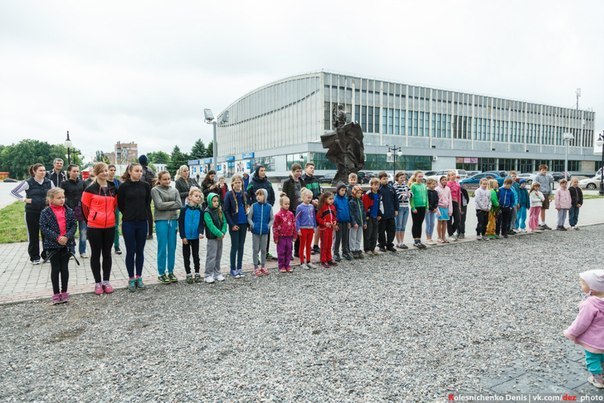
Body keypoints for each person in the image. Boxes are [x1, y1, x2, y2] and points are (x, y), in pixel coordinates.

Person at [564, 270, 604, 390]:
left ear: (593, 288)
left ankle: (598, 380)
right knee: (602, 356)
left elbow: (581, 323)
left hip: (594, 341)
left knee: (592, 358)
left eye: (582, 283)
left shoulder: (590, 305)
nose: (580, 285)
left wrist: (570, 333)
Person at [81, 162, 117, 295]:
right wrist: (93, 220)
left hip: (110, 226)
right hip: (94, 227)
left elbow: (115, 205)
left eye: (106, 170)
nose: (105, 173)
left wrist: (110, 217)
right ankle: (97, 283)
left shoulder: (113, 188)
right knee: (96, 254)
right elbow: (84, 208)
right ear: (96, 173)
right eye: (101, 171)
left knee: (107, 253)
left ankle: (106, 281)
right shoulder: (90, 189)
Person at [118, 163, 151, 292]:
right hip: (129, 223)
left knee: (140, 251)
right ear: (130, 172)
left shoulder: (146, 186)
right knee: (130, 251)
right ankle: (131, 278)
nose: (139, 173)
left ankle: (139, 277)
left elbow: (147, 202)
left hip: (142, 222)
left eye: (141, 171)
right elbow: (120, 204)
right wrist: (128, 214)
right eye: (136, 171)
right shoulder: (123, 186)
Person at [40, 188, 76, 304]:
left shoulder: (69, 210)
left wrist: (66, 237)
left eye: (63, 197)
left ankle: (64, 291)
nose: (62, 200)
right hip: (52, 245)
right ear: (51, 199)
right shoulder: (45, 212)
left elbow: (73, 226)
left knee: (64, 268)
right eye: (59, 198)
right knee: (55, 269)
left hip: (66, 244)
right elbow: (44, 228)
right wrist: (57, 238)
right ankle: (56, 293)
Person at [152, 171, 182, 284]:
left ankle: (170, 271)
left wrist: (168, 204)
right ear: (159, 180)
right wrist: (172, 203)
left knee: (172, 247)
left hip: (173, 220)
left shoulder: (174, 190)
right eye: (164, 179)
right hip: (161, 221)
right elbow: (159, 205)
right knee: (162, 247)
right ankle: (161, 273)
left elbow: (179, 204)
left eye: (169, 179)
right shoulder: (155, 190)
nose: (167, 181)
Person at [246, 165, 276, 260]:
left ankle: (265, 252)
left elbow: (272, 196)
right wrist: (251, 205)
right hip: (257, 212)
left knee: (266, 232)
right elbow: (247, 195)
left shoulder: (268, 183)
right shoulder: (252, 183)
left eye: (264, 170)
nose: (263, 172)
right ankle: (256, 255)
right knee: (257, 233)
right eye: (261, 170)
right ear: (257, 172)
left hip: (266, 211)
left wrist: (269, 206)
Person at [223, 174, 249, 278]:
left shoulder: (244, 194)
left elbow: (246, 207)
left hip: (243, 223)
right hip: (235, 223)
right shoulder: (229, 195)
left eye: (240, 182)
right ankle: (232, 268)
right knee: (234, 246)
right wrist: (232, 224)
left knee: (241, 246)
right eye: (236, 182)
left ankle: (239, 268)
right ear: (232, 183)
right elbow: (226, 211)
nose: (238, 184)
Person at [179, 188, 205, 283]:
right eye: (196, 196)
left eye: (199, 196)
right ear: (190, 197)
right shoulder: (184, 210)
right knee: (186, 255)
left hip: (195, 237)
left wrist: (201, 232)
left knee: (196, 255)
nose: (198, 198)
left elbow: (201, 224)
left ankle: (197, 273)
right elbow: (181, 224)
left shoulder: (200, 211)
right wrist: (183, 236)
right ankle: (188, 274)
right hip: (186, 237)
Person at [61, 164, 87, 258]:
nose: (76, 173)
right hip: (69, 210)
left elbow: (86, 195)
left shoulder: (82, 183)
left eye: (77, 171)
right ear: (69, 172)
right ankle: (71, 251)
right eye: (74, 171)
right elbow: (62, 196)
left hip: (81, 209)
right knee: (70, 231)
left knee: (83, 231)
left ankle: (83, 251)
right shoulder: (64, 184)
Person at [247, 188, 274, 277]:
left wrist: (268, 226)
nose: (258, 197)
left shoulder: (269, 207)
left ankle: (263, 266)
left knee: (263, 249)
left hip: (265, 232)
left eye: (261, 195)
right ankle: (255, 267)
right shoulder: (254, 206)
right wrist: (253, 225)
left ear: (265, 196)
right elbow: (249, 218)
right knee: (255, 249)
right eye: (257, 195)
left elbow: (272, 219)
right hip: (255, 231)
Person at [204, 192, 228, 283]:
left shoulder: (219, 210)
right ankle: (208, 274)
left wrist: (223, 232)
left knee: (218, 255)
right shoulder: (207, 212)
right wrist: (218, 233)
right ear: (210, 201)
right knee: (211, 256)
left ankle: (217, 273)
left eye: (217, 201)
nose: (216, 203)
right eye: (214, 201)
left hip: (220, 237)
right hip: (212, 238)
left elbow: (224, 222)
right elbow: (210, 225)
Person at [282, 163, 303, 257]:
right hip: (291, 209)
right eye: (297, 171)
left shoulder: (302, 181)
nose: (299, 173)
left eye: (300, 171)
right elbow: (283, 196)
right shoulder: (287, 182)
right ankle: (288, 252)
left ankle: (297, 251)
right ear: (293, 171)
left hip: (300, 209)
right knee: (290, 231)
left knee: (299, 231)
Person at [301, 162, 322, 255]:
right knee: (308, 226)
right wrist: (311, 201)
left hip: (316, 206)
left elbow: (319, 192)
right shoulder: (302, 180)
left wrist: (317, 199)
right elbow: (302, 193)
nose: (312, 169)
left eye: (313, 168)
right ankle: (307, 246)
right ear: (305, 169)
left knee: (317, 226)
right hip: (307, 206)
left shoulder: (316, 180)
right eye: (310, 168)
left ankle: (316, 245)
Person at [273, 194, 296, 273]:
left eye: (288, 204)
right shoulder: (278, 215)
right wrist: (275, 237)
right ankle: (281, 266)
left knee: (289, 251)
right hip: (281, 237)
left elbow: (294, 224)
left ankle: (287, 265)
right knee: (281, 252)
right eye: (285, 204)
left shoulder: (291, 214)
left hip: (289, 236)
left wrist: (294, 235)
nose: (287, 205)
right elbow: (275, 227)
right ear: (281, 204)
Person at [296, 188, 318, 269]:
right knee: (302, 246)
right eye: (307, 197)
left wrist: (314, 227)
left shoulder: (312, 206)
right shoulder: (299, 207)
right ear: (303, 197)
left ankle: (309, 261)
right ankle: (302, 262)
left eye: (310, 198)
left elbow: (313, 217)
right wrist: (298, 229)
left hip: (310, 228)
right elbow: (297, 219)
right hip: (303, 228)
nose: (309, 199)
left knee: (309, 246)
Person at [377, 172, 398, 253]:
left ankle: (389, 244)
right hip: (382, 215)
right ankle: (382, 245)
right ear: (380, 179)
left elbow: (396, 199)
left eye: (386, 178)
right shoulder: (378, 189)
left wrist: (396, 209)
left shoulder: (391, 188)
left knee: (391, 230)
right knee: (381, 231)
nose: (385, 180)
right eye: (383, 179)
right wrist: (378, 214)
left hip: (391, 213)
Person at [316, 191, 337, 268]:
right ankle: (323, 260)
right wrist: (324, 223)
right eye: (330, 199)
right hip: (324, 228)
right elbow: (318, 218)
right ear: (325, 199)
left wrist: (334, 221)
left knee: (329, 244)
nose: (332, 200)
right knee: (324, 244)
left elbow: (334, 216)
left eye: (332, 199)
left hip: (330, 228)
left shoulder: (333, 207)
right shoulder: (322, 207)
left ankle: (329, 259)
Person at [138, 155, 156, 239]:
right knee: (148, 212)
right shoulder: (150, 170)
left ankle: (144, 232)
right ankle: (150, 233)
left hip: (142, 193)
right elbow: (154, 181)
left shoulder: (140, 170)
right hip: (150, 193)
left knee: (142, 212)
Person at [333, 183, 352, 261]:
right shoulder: (335, 200)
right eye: (342, 190)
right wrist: (335, 222)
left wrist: (349, 221)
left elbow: (348, 210)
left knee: (345, 237)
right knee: (337, 238)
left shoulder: (346, 199)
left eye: (344, 190)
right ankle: (336, 252)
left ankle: (345, 251)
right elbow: (334, 212)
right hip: (339, 221)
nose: (343, 192)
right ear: (338, 190)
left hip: (345, 221)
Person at [409, 171, 428, 249]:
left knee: (420, 223)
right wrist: (413, 207)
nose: (420, 178)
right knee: (416, 223)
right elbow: (411, 197)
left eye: (421, 176)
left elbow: (426, 197)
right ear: (415, 177)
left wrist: (427, 207)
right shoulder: (413, 186)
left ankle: (419, 239)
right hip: (416, 207)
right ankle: (415, 240)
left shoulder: (424, 186)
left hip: (423, 206)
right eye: (419, 176)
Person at [362, 178, 381, 255]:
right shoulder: (368, 195)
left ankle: (373, 248)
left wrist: (379, 214)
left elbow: (380, 205)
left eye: (378, 185)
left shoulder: (379, 194)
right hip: (369, 216)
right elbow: (365, 206)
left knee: (375, 233)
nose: (376, 186)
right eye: (375, 185)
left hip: (375, 215)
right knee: (368, 233)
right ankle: (367, 249)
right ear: (371, 185)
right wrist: (366, 215)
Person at [393, 172, 411, 249]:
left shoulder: (405, 185)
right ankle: (398, 242)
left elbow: (411, 194)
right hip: (399, 207)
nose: (403, 179)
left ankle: (402, 241)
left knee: (403, 226)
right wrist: (406, 195)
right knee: (398, 225)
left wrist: (406, 195)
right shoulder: (395, 186)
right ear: (397, 178)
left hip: (406, 207)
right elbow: (399, 197)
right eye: (401, 178)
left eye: (404, 178)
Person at [533, 164, 554, 230]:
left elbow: (550, 186)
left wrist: (551, 196)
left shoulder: (548, 177)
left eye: (545, 170)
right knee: (537, 209)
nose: (544, 171)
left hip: (546, 194)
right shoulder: (537, 177)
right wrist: (537, 195)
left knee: (543, 209)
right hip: (539, 195)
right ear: (540, 170)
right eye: (543, 170)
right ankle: (535, 224)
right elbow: (534, 186)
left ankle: (543, 223)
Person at [107, 164, 122, 254]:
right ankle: (107, 246)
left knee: (116, 227)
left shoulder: (117, 182)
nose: (112, 171)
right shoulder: (104, 181)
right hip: (105, 207)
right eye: (111, 170)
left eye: (114, 170)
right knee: (107, 227)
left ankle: (116, 246)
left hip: (115, 207)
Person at [348, 185, 366, 259]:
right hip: (355, 223)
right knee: (353, 237)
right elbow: (351, 213)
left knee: (359, 237)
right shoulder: (351, 202)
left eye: (360, 193)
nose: (359, 194)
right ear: (354, 193)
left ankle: (357, 249)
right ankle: (352, 250)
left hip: (361, 223)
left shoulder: (361, 202)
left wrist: (364, 222)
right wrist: (354, 222)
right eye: (358, 193)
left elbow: (363, 212)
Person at [446, 171, 462, 240]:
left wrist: (459, 206)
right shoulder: (447, 184)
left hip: (455, 202)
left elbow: (459, 196)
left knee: (458, 219)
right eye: (451, 175)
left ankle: (451, 232)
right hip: (448, 203)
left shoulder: (458, 184)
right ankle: (450, 234)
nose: (453, 176)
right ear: (449, 176)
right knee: (449, 219)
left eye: (454, 174)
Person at [436, 176, 452, 243]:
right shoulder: (437, 189)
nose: (445, 181)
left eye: (446, 180)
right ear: (440, 181)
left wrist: (450, 209)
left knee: (445, 222)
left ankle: (443, 237)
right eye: (443, 180)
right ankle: (439, 237)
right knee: (440, 221)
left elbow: (450, 199)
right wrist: (437, 209)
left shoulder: (448, 188)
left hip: (446, 207)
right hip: (440, 207)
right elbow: (436, 200)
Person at [425, 178, 439, 245]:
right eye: (433, 184)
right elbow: (427, 201)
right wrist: (431, 208)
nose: (434, 185)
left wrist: (435, 207)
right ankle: (428, 238)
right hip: (428, 210)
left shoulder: (435, 192)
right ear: (428, 184)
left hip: (433, 210)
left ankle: (430, 237)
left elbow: (436, 200)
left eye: (435, 184)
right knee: (428, 224)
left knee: (432, 224)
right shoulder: (427, 192)